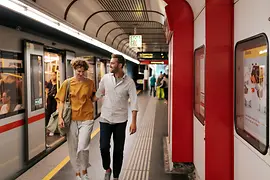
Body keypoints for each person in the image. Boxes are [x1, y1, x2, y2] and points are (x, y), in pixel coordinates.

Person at [95, 54, 138, 180]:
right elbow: (98, 93)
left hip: (121, 120)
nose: (110, 65)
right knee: (103, 147)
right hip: (105, 118)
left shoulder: (129, 82)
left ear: (120, 65)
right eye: (110, 63)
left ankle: (116, 176)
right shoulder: (106, 78)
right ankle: (107, 168)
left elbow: (134, 103)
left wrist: (133, 122)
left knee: (118, 150)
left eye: (113, 63)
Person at [55, 58, 96, 180]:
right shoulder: (67, 83)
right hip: (72, 119)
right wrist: (60, 118)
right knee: (73, 148)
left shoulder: (90, 83)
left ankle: (84, 170)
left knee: (83, 146)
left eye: (83, 71)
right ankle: (78, 173)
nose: (81, 74)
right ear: (74, 70)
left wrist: (100, 95)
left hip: (87, 117)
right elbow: (61, 101)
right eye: (78, 71)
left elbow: (93, 98)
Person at [45, 72, 57, 136]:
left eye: (54, 75)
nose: (52, 76)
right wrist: (46, 102)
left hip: (55, 100)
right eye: (51, 75)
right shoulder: (49, 84)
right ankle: (48, 128)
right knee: (48, 114)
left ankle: (52, 129)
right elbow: (47, 93)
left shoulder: (58, 84)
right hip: (49, 100)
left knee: (54, 114)